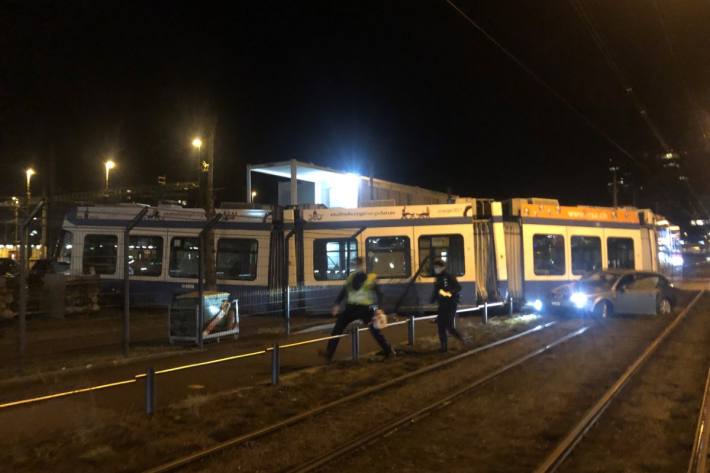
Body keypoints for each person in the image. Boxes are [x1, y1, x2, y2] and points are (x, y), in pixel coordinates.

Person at [321, 257, 395, 362]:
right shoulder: (351, 277)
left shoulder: (371, 278)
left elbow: (380, 294)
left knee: (375, 331)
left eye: (358, 265)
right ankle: (328, 354)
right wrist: (337, 304)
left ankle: (388, 350)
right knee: (337, 328)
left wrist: (380, 309)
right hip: (350, 308)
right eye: (355, 265)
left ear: (363, 265)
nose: (357, 267)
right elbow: (344, 291)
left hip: (365, 309)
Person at [431, 259, 465, 352]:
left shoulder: (449, 276)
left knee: (449, 326)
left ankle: (462, 340)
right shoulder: (438, 278)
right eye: (435, 267)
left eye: (437, 267)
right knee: (440, 325)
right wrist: (433, 299)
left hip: (451, 304)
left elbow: (458, 287)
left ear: (442, 267)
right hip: (442, 305)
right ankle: (443, 347)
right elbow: (437, 290)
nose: (435, 269)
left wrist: (450, 292)